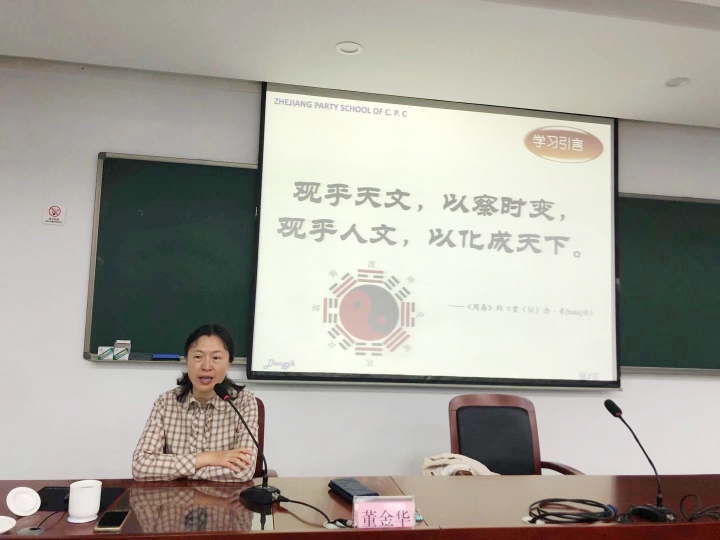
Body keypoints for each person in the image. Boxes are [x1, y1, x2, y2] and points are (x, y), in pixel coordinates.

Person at [132, 324, 258, 482]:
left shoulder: (245, 402)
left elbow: (243, 471)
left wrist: (177, 472)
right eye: (198, 357)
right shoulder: (165, 402)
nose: (206, 366)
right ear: (187, 360)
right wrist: (210, 458)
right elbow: (140, 466)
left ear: (229, 363)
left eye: (216, 358)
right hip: (174, 497)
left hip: (225, 497)